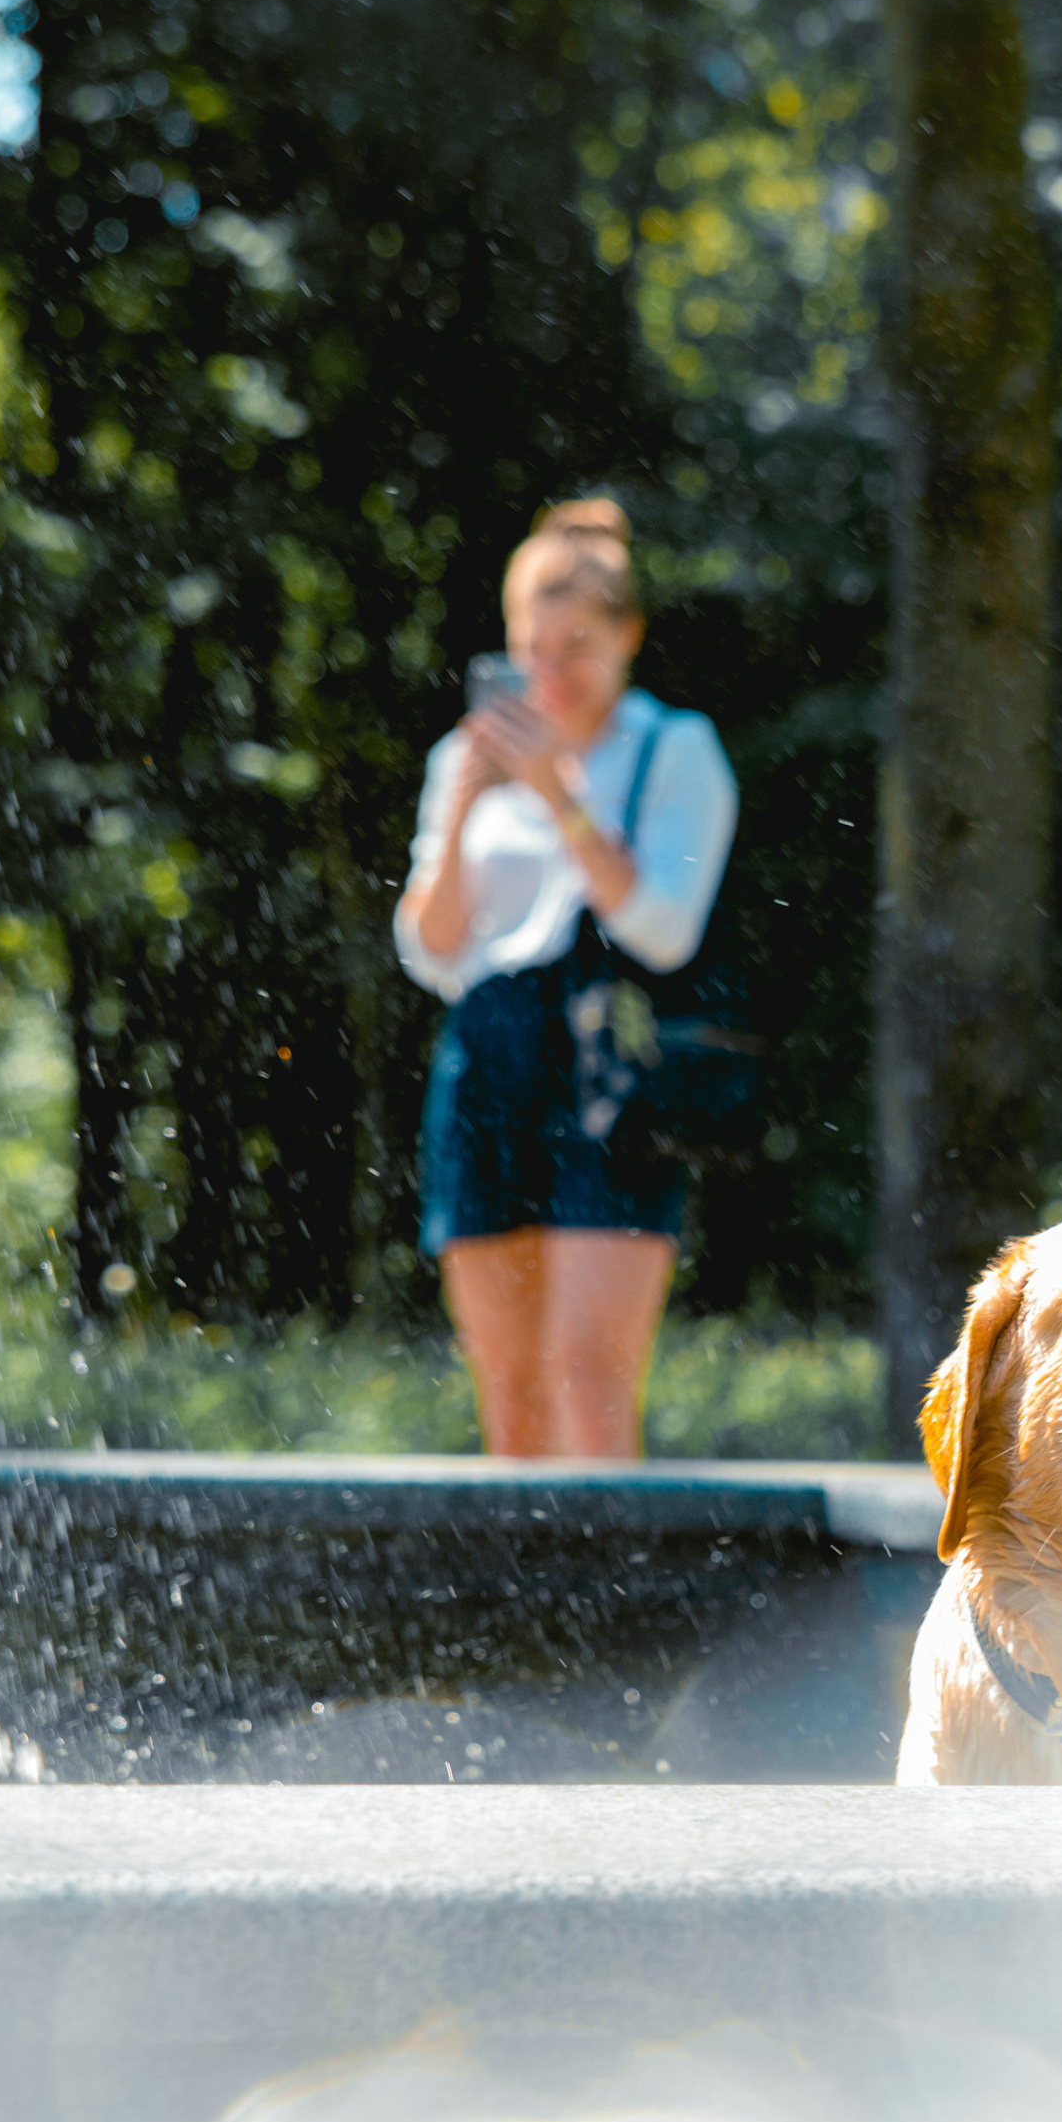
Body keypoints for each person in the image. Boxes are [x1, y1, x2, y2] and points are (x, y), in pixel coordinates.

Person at [396, 498, 737, 1456]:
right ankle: (523, 1603)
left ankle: (621, 1603)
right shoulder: (462, 760)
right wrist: (464, 812)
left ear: (628, 637)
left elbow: (664, 931)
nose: (550, 672)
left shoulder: (676, 749)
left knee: (588, 1380)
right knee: (509, 1395)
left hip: (608, 1068)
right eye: (530, 645)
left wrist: (560, 797)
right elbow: (429, 949)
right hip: (487, 1059)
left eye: (576, 644)